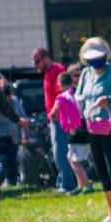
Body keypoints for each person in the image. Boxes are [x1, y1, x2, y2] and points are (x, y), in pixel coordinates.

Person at [75, 37, 111, 222]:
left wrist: (109, 100)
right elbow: (79, 96)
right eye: (91, 60)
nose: (95, 63)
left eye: (98, 58)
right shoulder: (86, 74)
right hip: (93, 128)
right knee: (101, 170)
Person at [34, 47, 77, 194]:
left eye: (37, 61)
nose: (35, 65)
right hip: (54, 120)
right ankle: (62, 182)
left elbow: (64, 94)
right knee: (58, 153)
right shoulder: (48, 73)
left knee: (61, 153)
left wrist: (54, 112)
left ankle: (68, 185)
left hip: (60, 119)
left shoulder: (57, 70)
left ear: (46, 58)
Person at [58, 69, 95, 195]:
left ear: (60, 84)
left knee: (75, 160)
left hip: (79, 130)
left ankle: (87, 186)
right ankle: (81, 185)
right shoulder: (75, 93)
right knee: (71, 157)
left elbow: (76, 113)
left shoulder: (70, 96)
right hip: (80, 129)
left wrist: (73, 126)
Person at [0, 77, 25, 187]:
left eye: (7, 87)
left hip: (14, 136)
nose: (5, 89)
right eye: (3, 88)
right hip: (1, 136)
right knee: (8, 163)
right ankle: (10, 183)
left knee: (9, 163)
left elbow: (21, 115)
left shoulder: (14, 100)